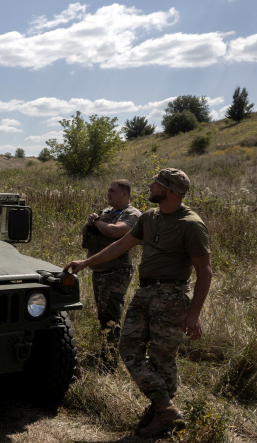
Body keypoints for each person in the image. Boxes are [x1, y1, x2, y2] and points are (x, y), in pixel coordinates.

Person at [65, 168, 212, 438]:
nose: (150, 186)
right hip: (145, 293)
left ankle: (160, 417)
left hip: (172, 296)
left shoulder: (190, 224)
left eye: (155, 184)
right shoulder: (149, 217)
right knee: (127, 347)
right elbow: (121, 245)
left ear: (169, 190)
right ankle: (166, 409)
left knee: (162, 358)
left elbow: (205, 271)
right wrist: (86, 262)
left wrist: (194, 313)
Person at [80, 180, 141, 371]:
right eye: (108, 191)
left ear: (125, 194)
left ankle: (109, 362)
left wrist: (98, 222)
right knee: (103, 315)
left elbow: (116, 231)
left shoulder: (132, 214)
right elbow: (85, 231)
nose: (108, 194)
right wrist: (90, 222)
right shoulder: (106, 212)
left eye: (113, 191)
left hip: (116, 272)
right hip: (100, 272)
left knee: (111, 317)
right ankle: (105, 354)